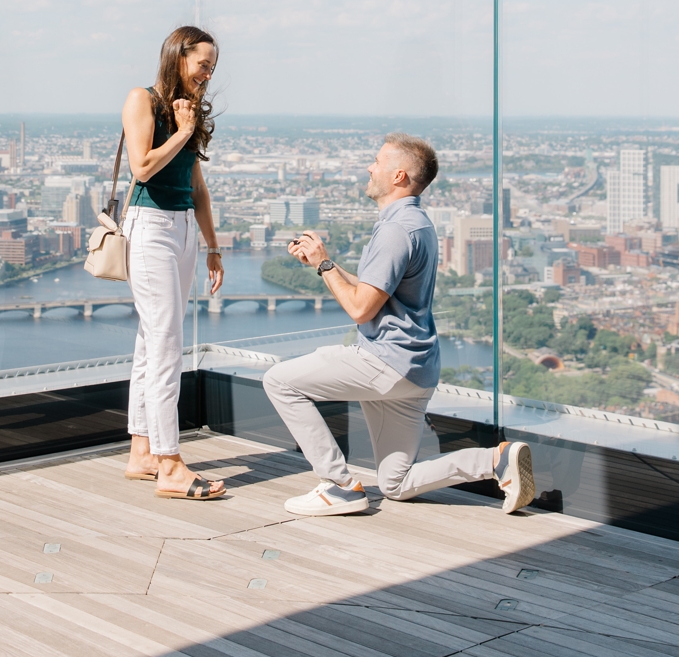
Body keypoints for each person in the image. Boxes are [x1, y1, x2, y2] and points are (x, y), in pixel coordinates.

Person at [262, 134, 537, 518]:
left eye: (377, 162)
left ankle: (339, 485)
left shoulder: (394, 231)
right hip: (416, 370)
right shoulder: (416, 223)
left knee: (279, 381)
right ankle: (495, 462)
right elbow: (374, 290)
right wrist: (321, 262)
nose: (370, 167)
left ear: (399, 176)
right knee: (396, 483)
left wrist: (326, 266)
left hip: (383, 362)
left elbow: (361, 309)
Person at [120, 26, 226, 500]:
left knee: (152, 342)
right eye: (203, 63)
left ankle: (142, 452)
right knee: (167, 344)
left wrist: (212, 245)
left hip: (182, 229)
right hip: (150, 229)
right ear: (177, 56)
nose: (208, 74)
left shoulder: (189, 111)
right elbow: (141, 168)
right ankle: (169, 463)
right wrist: (181, 130)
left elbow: (197, 186)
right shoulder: (142, 100)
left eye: (212, 67)